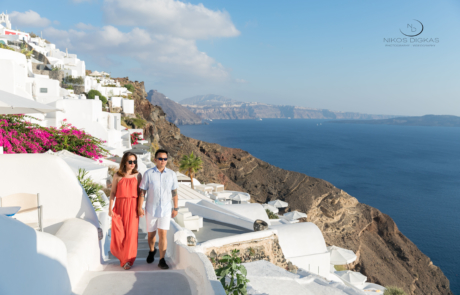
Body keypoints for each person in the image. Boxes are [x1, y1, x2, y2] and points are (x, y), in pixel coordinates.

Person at [138, 149, 179, 269]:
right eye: (160, 158)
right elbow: (142, 191)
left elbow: (174, 192)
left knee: (163, 234)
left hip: (165, 210)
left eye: (165, 159)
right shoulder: (148, 173)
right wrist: (140, 207)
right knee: (151, 235)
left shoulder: (172, 174)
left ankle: (162, 260)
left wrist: (176, 207)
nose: (163, 161)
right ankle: (152, 251)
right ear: (155, 160)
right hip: (151, 209)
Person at [109, 152, 143, 270]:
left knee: (131, 235)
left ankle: (127, 260)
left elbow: (141, 193)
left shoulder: (138, 175)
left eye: (134, 161)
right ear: (124, 162)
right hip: (119, 206)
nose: (133, 164)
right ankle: (121, 256)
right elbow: (113, 193)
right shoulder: (117, 176)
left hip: (133, 207)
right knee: (119, 234)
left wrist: (140, 208)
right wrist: (110, 208)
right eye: (130, 161)